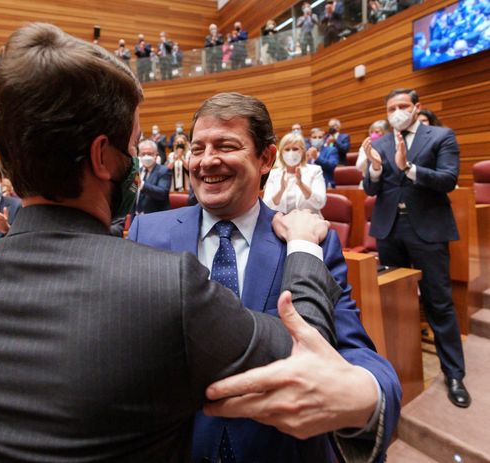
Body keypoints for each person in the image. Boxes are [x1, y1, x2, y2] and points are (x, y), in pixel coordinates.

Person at [0, 24, 341, 462]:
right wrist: (302, 247)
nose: (139, 165)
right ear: (103, 158)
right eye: (132, 147)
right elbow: (307, 354)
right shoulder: (168, 284)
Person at [129, 92, 400, 463]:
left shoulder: (310, 242)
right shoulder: (146, 233)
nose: (207, 161)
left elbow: (353, 352)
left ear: (266, 158)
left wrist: (368, 396)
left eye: (226, 146)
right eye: (197, 148)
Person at [362, 88, 470, 408]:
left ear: (416, 107)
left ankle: (454, 374)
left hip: (428, 229)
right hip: (390, 229)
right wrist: (376, 168)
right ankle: (397, 372)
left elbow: (448, 179)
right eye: (391, 107)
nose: (397, 110)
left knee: (439, 301)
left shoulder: (440, 136)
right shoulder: (380, 142)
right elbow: (371, 188)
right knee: (394, 303)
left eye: (403, 106)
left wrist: (408, 167)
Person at [264, 132, 327, 215]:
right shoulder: (273, 174)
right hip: (280, 223)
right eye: (287, 149)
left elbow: (320, 203)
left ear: (302, 152)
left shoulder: (315, 171)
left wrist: (301, 185)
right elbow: (267, 206)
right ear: (281, 153)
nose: (291, 153)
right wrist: (281, 190)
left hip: (308, 223)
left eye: (295, 149)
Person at [136, 140, 172, 214]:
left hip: (156, 216)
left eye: (149, 154)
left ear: (156, 155)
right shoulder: (138, 171)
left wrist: (141, 184)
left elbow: (162, 193)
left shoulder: (164, 171)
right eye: (143, 154)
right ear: (139, 155)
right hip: (136, 216)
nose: (146, 156)